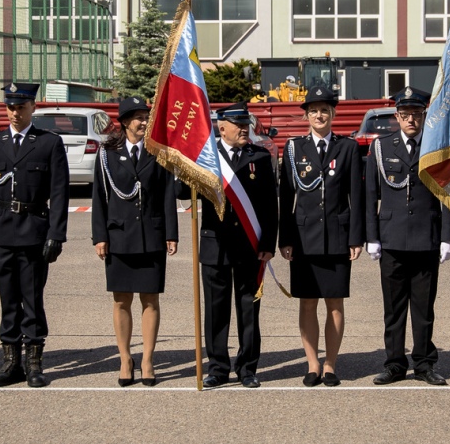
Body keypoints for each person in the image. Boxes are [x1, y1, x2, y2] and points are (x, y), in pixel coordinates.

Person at [0, 81, 69, 388]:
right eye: (10, 107)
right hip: (0, 231)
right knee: (8, 300)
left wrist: (57, 234)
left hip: (34, 231)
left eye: (21, 107)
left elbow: (60, 193)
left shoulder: (48, 143)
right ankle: (11, 361)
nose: (15, 113)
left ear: (33, 108)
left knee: (31, 298)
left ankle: (34, 362)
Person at [365, 86, 450, 385]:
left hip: (426, 237)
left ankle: (424, 363)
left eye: (416, 114)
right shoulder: (381, 147)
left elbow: (448, 193)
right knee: (393, 309)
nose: (411, 120)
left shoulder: (437, 146)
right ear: (397, 116)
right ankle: (394, 363)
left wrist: (448, 235)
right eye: (405, 115)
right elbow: (370, 197)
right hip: (391, 238)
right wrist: (372, 236)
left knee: (423, 308)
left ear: (424, 115)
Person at [279, 84, 364, 386]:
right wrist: (285, 239)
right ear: (306, 115)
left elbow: (357, 196)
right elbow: (285, 197)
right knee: (307, 303)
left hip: (338, 237)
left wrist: (356, 238)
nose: (319, 115)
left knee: (335, 303)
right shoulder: (293, 149)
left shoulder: (348, 148)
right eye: (313, 110)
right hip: (304, 238)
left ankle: (331, 363)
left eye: (324, 110)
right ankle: (312, 363)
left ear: (333, 114)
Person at [92, 96, 178, 387]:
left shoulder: (158, 152)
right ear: (126, 122)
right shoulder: (107, 154)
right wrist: (100, 236)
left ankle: (148, 359)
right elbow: (99, 197)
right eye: (139, 118)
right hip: (119, 236)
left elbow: (167, 194)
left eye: (147, 117)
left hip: (151, 235)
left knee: (150, 300)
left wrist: (171, 233)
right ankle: (125, 358)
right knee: (121, 300)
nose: (144, 122)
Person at [197, 102, 277, 388]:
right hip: (215, 245)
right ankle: (218, 368)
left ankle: (247, 368)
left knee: (248, 309)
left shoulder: (260, 156)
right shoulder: (206, 157)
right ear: (222, 127)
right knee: (215, 310)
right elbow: (182, 192)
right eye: (239, 125)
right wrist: (184, 164)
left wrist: (268, 242)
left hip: (249, 245)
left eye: (247, 124)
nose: (245, 129)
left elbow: (270, 204)